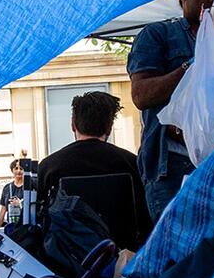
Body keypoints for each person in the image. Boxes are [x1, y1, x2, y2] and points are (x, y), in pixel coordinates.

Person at [127, 0, 214, 222]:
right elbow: (141, 95)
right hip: (173, 165)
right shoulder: (158, 34)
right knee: (178, 253)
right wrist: (192, 66)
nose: (211, 2)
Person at [36, 91, 148, 248]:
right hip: (123, 256)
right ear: (109, 128)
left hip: (67, 259)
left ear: (73, 125)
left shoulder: (49, 166)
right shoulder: (132, 164)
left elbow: (37, 221)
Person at [0, 159, 27, 227]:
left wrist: (20, 204)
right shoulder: (7, 188)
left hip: (25, 226)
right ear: (12, 170)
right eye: (16, 168)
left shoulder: (30, 187)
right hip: (11, 226)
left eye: (21, 168)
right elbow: (3, 210)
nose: (19, 171)